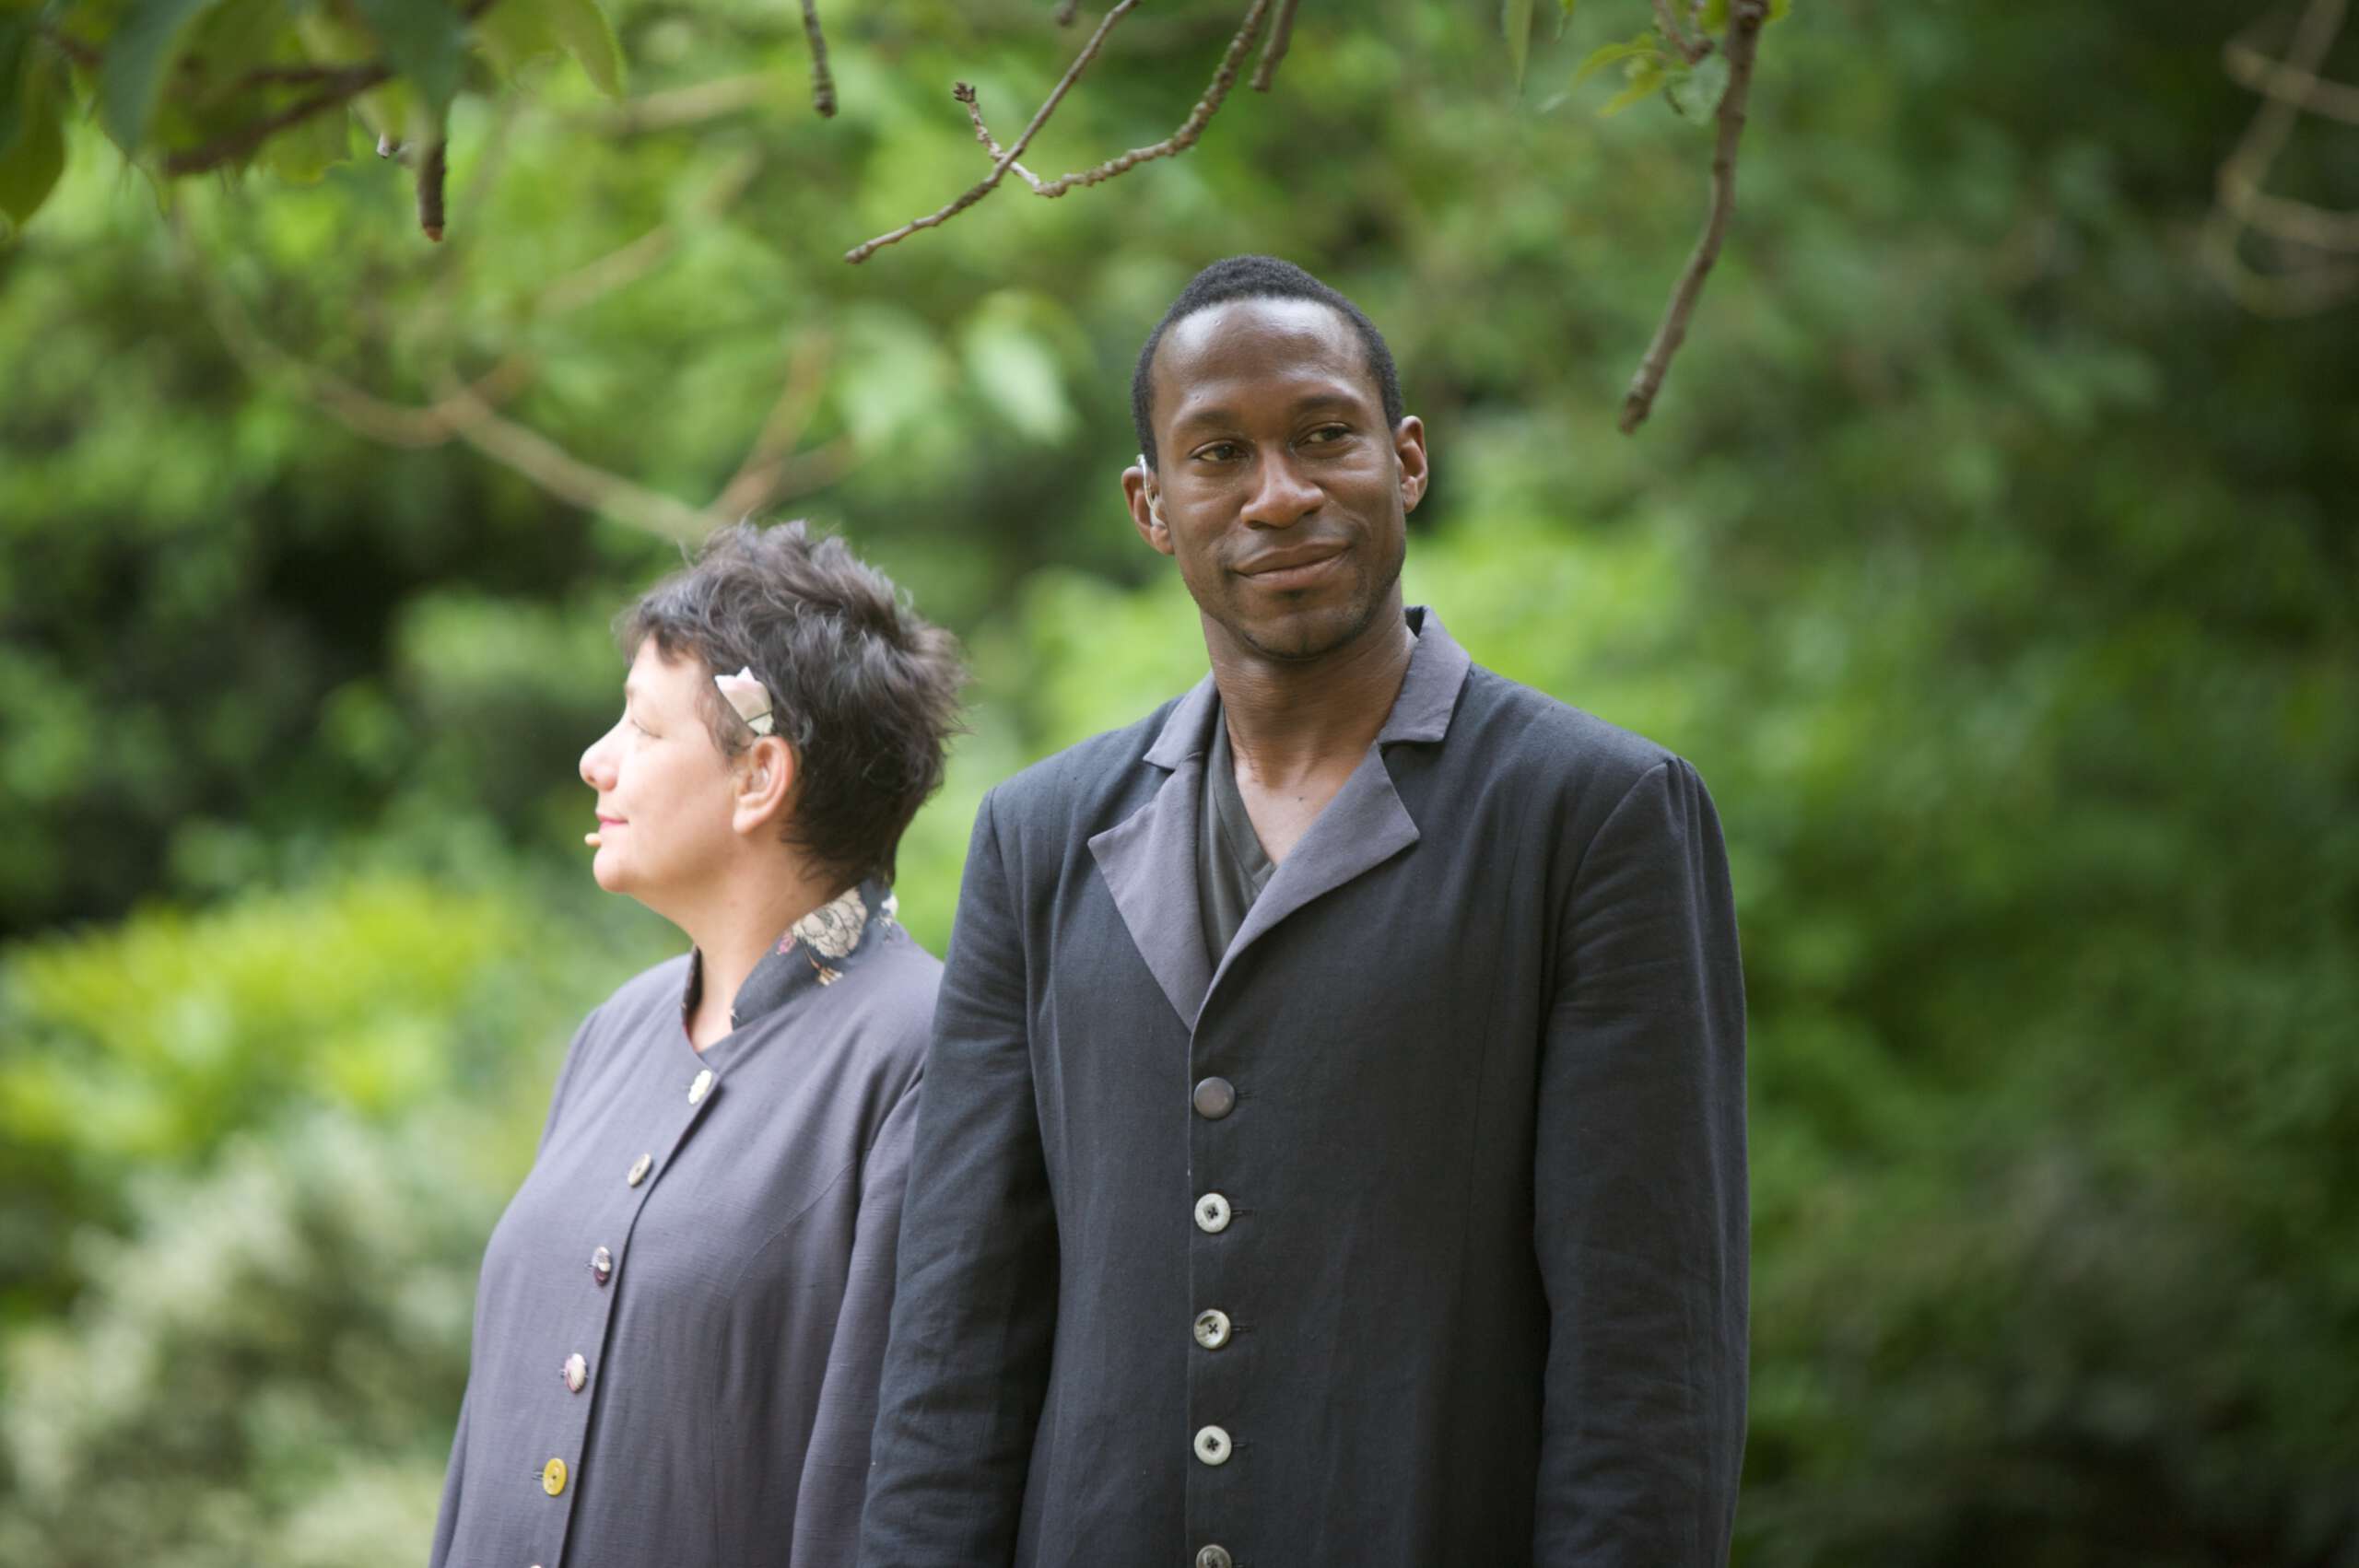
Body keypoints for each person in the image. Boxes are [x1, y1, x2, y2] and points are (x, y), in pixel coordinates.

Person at [858, 256, 1747, 1567]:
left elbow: (1647, 1355)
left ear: (1407, 459)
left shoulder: (1593, 814)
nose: (1280, 493)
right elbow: (956, 1342)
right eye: (1219, 454)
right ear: (1152, 507)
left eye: (1326, 435)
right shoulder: (1037, 839)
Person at [429, 521, 963, 1568]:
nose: (596, 760)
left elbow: (891, 1490)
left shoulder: (920, 1055)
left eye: (641, 727)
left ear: (760, 775)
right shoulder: (615, 1032)